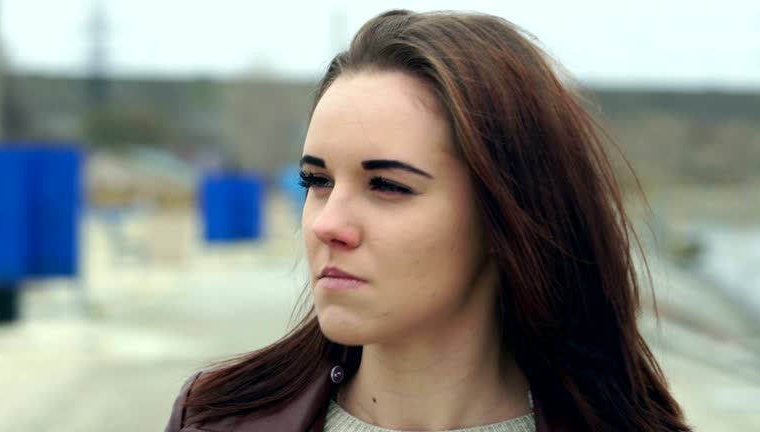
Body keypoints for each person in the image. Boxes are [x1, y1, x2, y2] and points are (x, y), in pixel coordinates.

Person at [165, 9, 691, 432]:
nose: (329, 224)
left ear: (506, 215)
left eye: (388, 186)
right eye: (317, 181)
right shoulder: (213, 418)